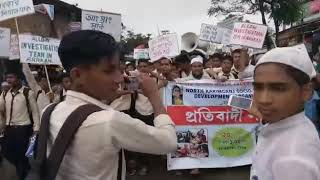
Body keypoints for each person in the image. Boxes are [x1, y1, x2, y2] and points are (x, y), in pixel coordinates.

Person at [47, 30, 177, 180]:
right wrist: (154, 95)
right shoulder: (109, 121)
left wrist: (108, 99)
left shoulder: (49, 111)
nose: (120, 77)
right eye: (109, 71)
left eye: (118, 69)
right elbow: (169, 143)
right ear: (77, 75)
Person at [250, 45, 320, 180]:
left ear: (306, 91)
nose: (264, 100)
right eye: (258, 87)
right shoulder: (286, 123)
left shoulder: (292, 159)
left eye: (278, 88)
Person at [0, 66, 40, 180]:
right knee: (6, 152)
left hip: (23, 129)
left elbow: (35, 113)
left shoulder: (27, 93)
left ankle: (21, 173)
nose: (9, 80)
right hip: (8, 129)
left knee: (21, 154)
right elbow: (1, 110)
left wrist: (36, 128)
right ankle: (22, 167)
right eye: (7, 77)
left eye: (11, 77)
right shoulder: (5, 94)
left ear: (18, 79)